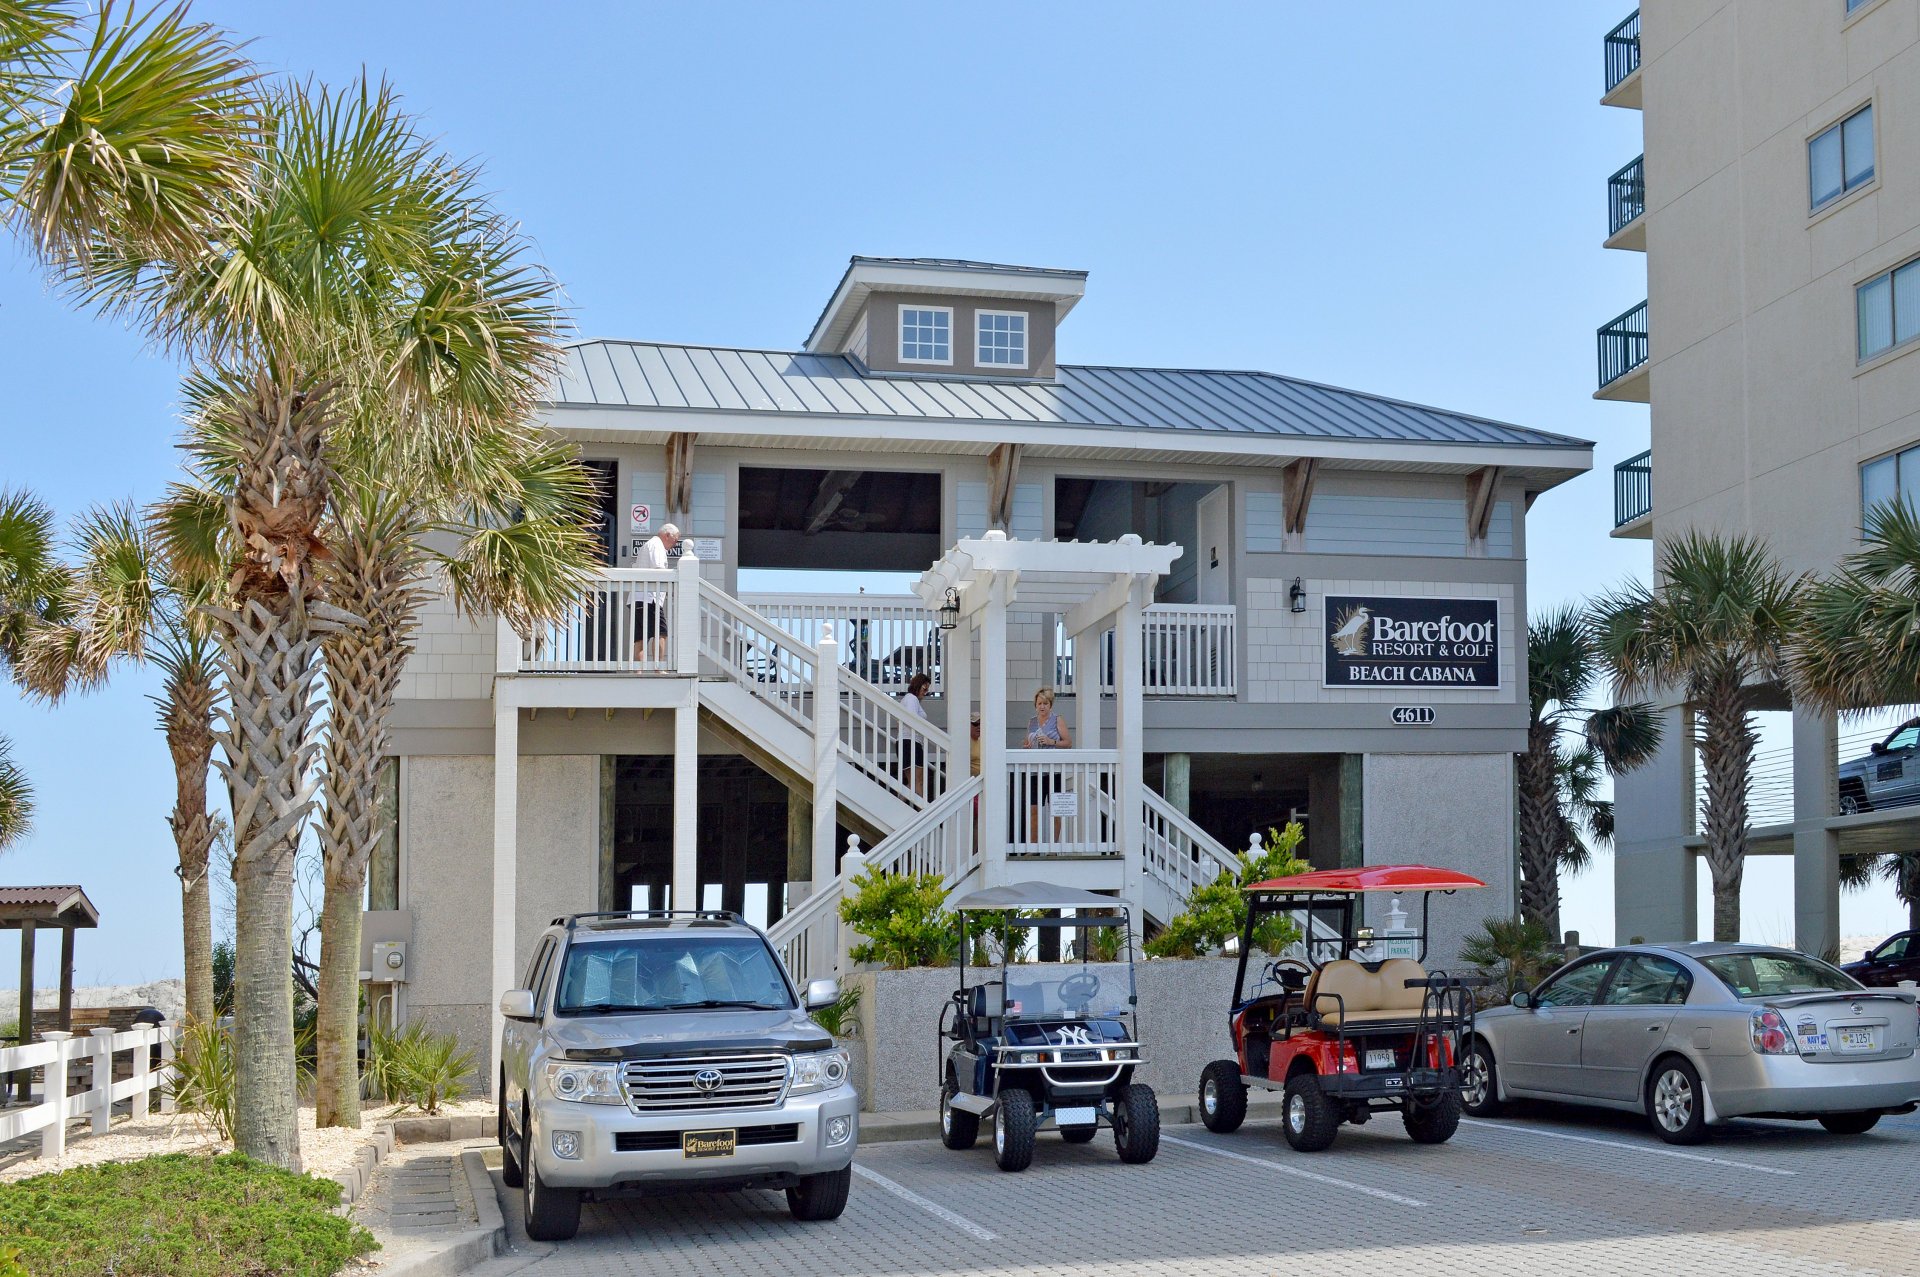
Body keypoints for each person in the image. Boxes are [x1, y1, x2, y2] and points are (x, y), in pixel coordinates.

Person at [1023, 687, 1072, 844]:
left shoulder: (1057, 719)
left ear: (1050, 705)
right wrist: (1027, 745)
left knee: (1055, 811)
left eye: (1045, 703)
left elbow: (1068, 743)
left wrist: (1052, 742)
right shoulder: (1031, 722)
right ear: (1035, 705)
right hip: (1035, 772)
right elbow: (1027, 741)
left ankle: (1054, 847)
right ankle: (1033, 847)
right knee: (1033, 810)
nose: (1042, 706)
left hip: (1053, 772)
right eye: (1039, 703)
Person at [635, 523, 680, 663]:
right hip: (650, 598)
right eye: (676, 540)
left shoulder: (649, 544)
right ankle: (658, 667)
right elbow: (659, 570)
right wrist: (673, 588)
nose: (675, 544)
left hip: (638, 597)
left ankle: (638, 671)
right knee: (661, 633)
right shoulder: (657, 545)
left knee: (641, 636)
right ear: (667, 535)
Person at [899, 672, 932, 798]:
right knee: (917, 782)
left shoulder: (909, 700)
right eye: (924, 688)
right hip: (910, 743)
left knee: (914, 783)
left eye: (927, 690)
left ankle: (898, 805)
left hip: (909, 743)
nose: (925, 692)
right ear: (918, 685)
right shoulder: (912, 699)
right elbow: (912, 719)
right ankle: (926, 813)